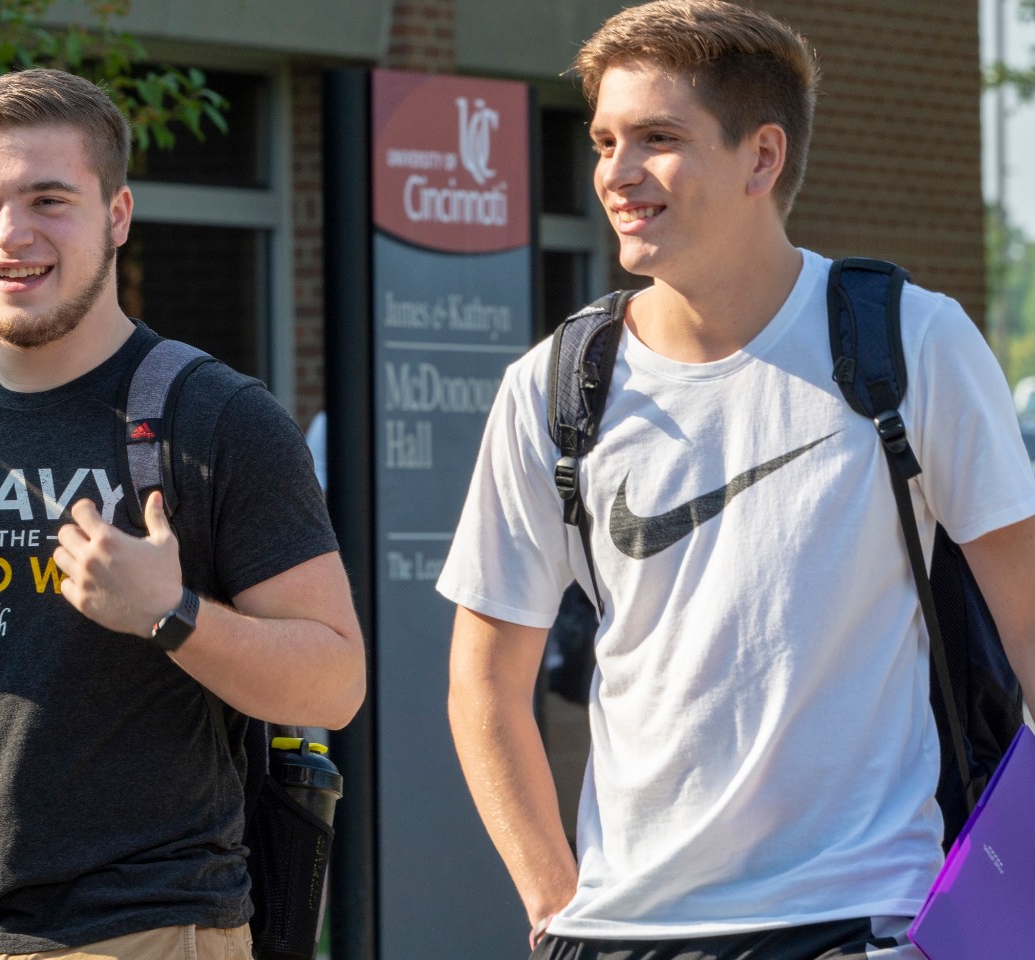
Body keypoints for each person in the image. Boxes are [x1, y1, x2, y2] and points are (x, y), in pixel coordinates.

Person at [437, 3, 1035, 959]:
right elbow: (485, 676)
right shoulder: (554, 386)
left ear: (761, 158)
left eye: (658, 139)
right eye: (604, 141)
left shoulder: (911, 342)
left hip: (855, 920)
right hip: (617, 932)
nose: (616, 173)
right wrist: (552, 902)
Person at [0, 68, 365, 960]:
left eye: (48, 200)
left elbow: (334, 681)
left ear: (117, 215)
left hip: (148, 924)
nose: (9, 234)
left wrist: (169, 614)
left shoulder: (218, 418)